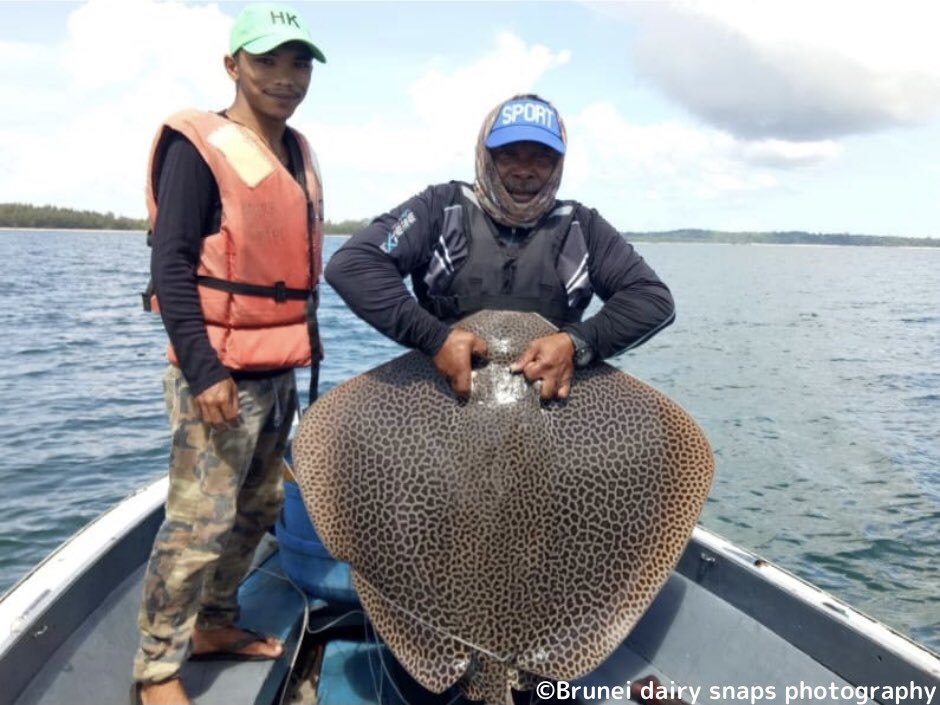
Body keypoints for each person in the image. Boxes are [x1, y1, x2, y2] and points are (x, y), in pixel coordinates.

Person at [132, 4, 326, 704]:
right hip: (215, 375)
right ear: (233, 65)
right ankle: (156, 668)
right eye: (268, 60)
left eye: (298, 62)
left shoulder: (296, 152)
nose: (285, 77)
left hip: (276, 373)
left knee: (256, 509)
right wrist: (203, 368)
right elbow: (173, 265)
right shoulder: (199, 147)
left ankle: (213, 621)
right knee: (197, 522)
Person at [325, 94, 675, 400]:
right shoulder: (439, 208)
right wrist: (435, 339)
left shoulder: (582, 226)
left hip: (548, 408)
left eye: (541, 157)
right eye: (509, 155)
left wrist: (577, 342)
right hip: (444, 402)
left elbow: (652, 299)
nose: (524, 170)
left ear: (558, 163)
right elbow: (354, 264)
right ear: (486, 156)